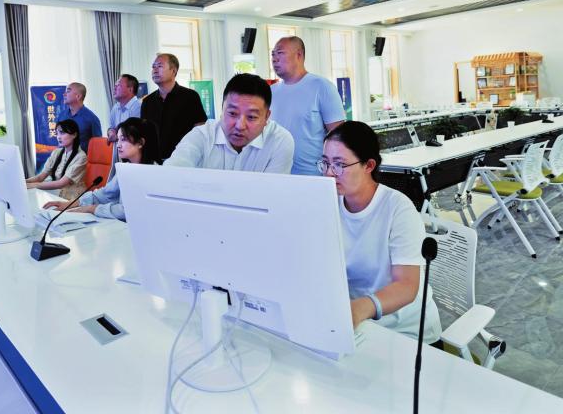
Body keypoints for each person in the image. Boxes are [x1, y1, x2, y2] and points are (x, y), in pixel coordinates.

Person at [319, 121, 441, 343]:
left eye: (339, 164)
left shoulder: (398, 209)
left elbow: (407, 286)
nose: (329, 173)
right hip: (357, 323)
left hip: (405, 331)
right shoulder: (329, 204)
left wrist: (359, 309)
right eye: (325, 163)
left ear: (368, 165)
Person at [165, 73, 294, 173]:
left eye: (251, 117)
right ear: (222, 110)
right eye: (232, 113)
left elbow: (271, 193)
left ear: (266, 117)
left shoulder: (279, 141)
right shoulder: (202, 136)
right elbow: (171, 175)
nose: (240, 126)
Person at [44, 117, 161, 221]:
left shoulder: (152, 173)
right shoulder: (126, 168)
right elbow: (105, 193)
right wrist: (73, 203)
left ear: (140, 143)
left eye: (124, 139)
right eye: (118, 139)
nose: (118, 145)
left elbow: (127, 211)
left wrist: (93, 209)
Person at [270, 36, 346, 175]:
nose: (274, 59)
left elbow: (339, 137)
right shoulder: (271, 92)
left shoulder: (322, 87)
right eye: (273, 54)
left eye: (280, 53)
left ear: (299, 55)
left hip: (313, 174)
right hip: (279, 174)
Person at [141, 53, 207, 161]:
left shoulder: (190, 96)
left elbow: (200, 127)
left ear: (173, 71)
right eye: (153, 67)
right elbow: (144, 132)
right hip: (154, 161)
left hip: (184, 159)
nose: (155, 70)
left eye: (160, 66)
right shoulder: (147, 101)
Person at [25, 119, 88, 201]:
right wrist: (23, 182)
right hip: (58, 192)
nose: (58, 137)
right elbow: (40, 177)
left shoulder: (81, 156)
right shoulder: (56, 152)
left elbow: (61, 183)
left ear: (74, 135)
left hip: (73, 197)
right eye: (57, 133)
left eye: (62, 133)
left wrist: (33, 185)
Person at [56, 82, 102, 151]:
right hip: (63, 156)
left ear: (78, 96)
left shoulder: (92, 119)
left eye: (68, 91)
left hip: (83, 157)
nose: (64, 94)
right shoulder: (61, 115)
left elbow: (97, 145)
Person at [106, 73, 141, 143]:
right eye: (115, 85)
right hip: (118, 149)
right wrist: (111, 132)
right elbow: (111, 127)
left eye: (118, 85)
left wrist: (117, 136)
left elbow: (135, 134)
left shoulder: (139, 107)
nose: (114, 88)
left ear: (130, 89)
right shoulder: (115, 107)